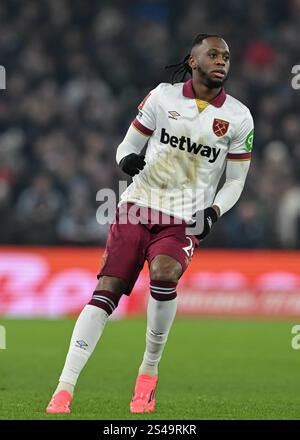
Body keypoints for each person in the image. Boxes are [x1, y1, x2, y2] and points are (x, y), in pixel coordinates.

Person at [46, 33, 254, 414]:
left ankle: (148, 372)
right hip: (138, 206)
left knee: (164, 272)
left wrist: (213, 212)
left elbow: (236, 180)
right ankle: (65, 387)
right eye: (213, 54)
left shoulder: (239, 117)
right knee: (107, 289)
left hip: (183, 219)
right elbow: (126, 146)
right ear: (192, 61)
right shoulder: (162, 96)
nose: (222, 60)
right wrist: (126, 162)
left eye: (226, 55)